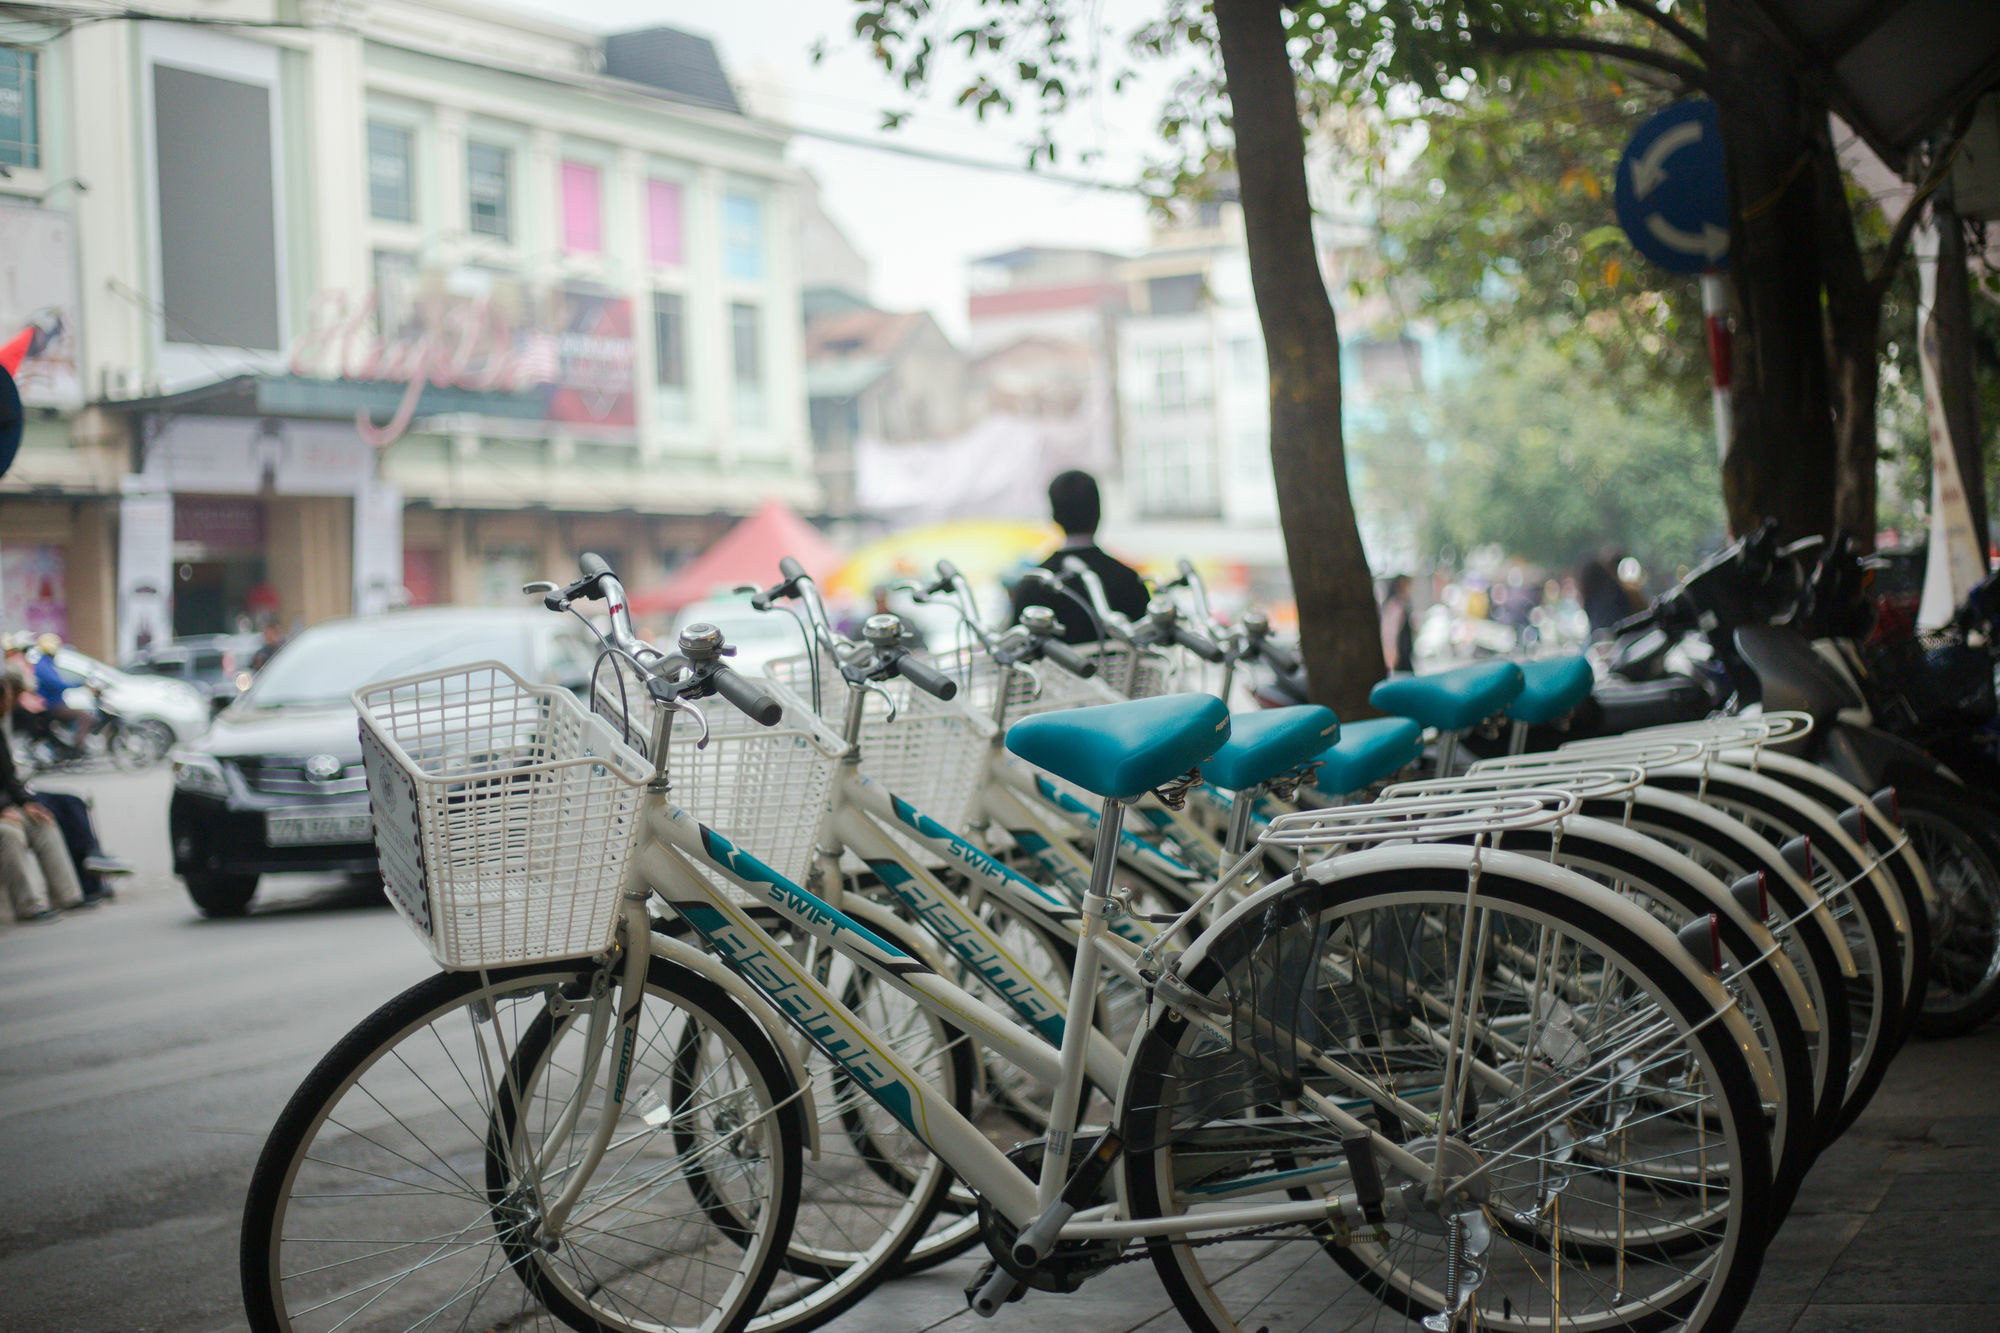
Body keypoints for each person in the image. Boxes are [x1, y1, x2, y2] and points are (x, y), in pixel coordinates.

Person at [1010, 470, 1151, 645]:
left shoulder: (1034, 584)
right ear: (1099, 512)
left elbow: (1018, 648)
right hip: (1122, 672)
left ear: (1055, 516)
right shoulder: (1128, 579)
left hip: (1052, 673)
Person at [1, 664, 90, 922]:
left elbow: (9, 778)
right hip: (2, 815)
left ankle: (67, 895)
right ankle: (28, 905)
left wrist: (26, 803)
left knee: (43, 822)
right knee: (10, 835)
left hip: (7, 807)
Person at [31, 632, 93, 744]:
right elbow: (57, 683)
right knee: (86, 716)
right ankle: (78, 745)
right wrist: (80, 684)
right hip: (52, 705)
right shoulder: (43, 665)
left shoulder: (46, 663)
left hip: (56, 703)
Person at [1379, 574, 1415, 674]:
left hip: (1404, 654)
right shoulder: (1395, 605)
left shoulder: (1401, 604)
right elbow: (1390, 632)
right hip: (1400, 655)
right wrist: (1392, 653)